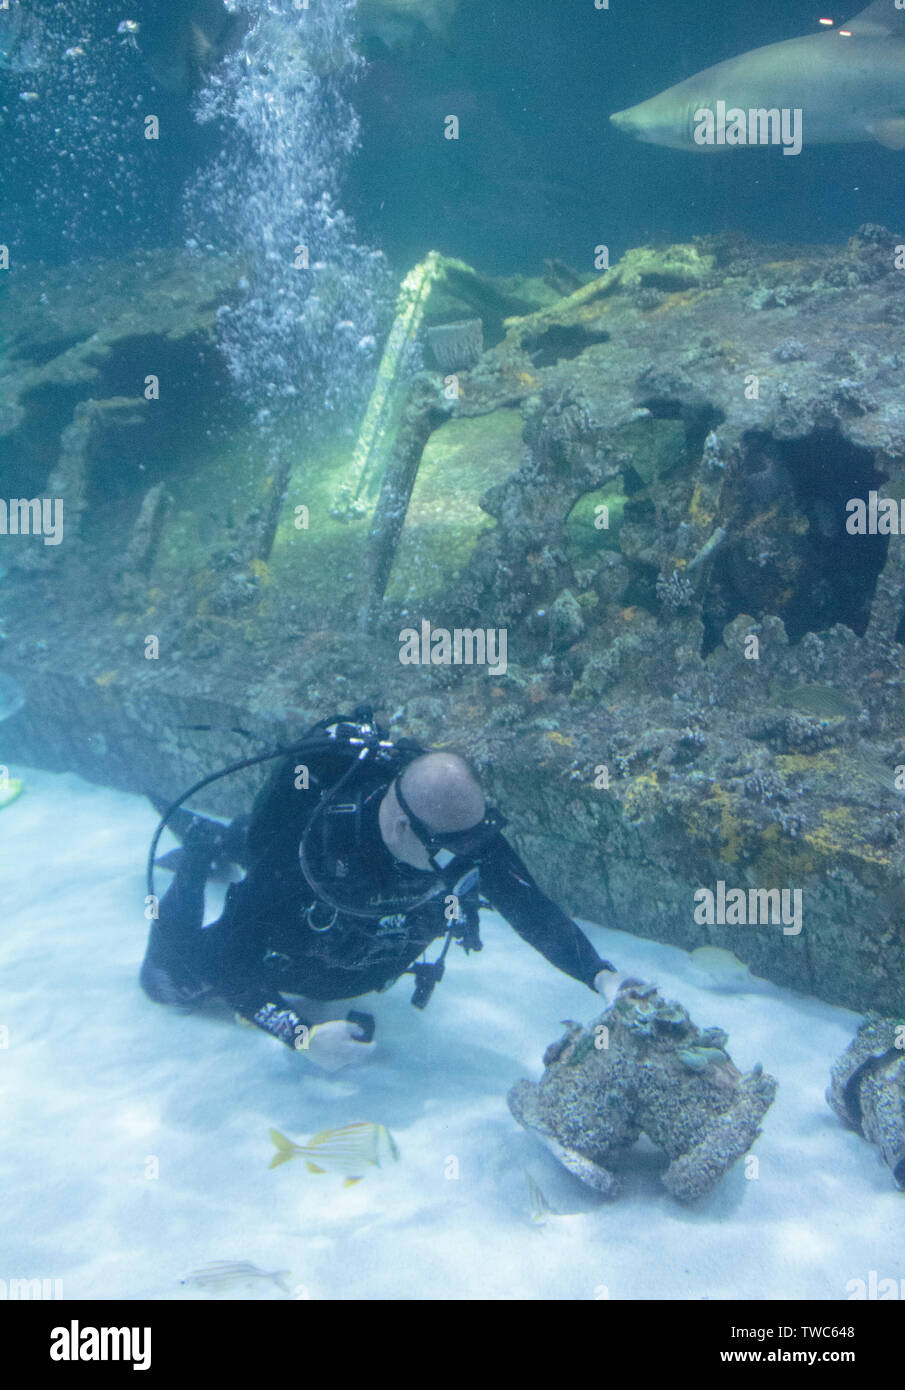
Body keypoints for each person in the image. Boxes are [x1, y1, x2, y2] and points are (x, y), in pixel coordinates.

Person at [140, 706, 616, 1070]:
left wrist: (602, 976)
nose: (470, 856)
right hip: (300, 954)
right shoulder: (317, 850)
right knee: (165, 980)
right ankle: (203, 850)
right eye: (454, 848)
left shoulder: (452, 829)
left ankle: (233, 838)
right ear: (402, 827)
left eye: (478, 838)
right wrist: (301, 1036)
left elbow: (529, 905)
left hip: (367, 958)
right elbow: (232, 963)